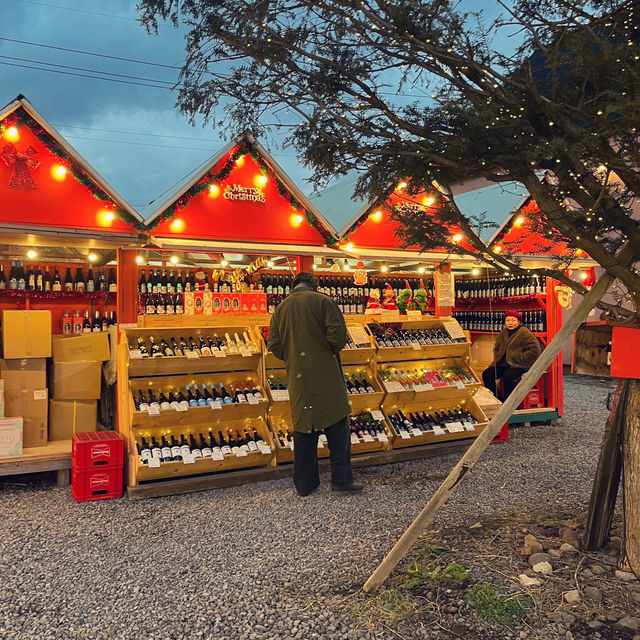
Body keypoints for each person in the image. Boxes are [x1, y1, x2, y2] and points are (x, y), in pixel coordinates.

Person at [268, 272, 363, 497]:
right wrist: (325, 350)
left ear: (293, 286)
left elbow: (274, 343)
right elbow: (338, 335)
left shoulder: (280, 309)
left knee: (304, 429)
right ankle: (341, 480)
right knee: (338, 425)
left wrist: (293, 356)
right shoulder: (324, 301)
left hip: (298, 377)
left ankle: (305, 483)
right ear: (314, 284)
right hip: (326, 374)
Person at [481, 311, 541, 401]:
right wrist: (498, 355)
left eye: (513, 320)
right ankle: (497, 400)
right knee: (487, 374)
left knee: (508, 376)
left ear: (519, 322)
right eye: (507, 320)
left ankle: (508, 402)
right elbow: (497, 347)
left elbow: (535, 350)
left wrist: (520, 358)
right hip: (504, 364)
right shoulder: (503, 332)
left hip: (520, 365)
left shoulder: (524, 332)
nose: (510, 323)